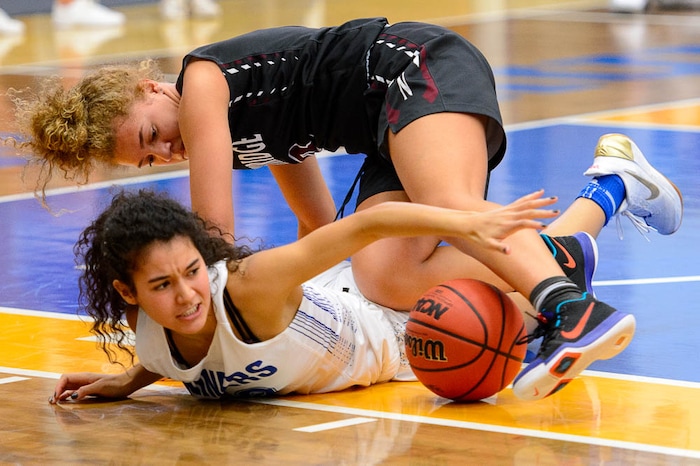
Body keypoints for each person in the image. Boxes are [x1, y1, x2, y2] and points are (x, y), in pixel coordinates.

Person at [13, 18, 682, 400]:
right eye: (151, 159)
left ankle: (575, 311)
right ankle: (608, 190)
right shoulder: (250, 126)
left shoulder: (202, 86)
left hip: (414, 70)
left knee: (451, 206)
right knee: (384, 277)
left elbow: (208, 241)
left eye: (152, 133)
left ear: (153, 87)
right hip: (388, 127)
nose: (167, 148)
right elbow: (317, 228)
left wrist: (157, 358)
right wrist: (146, 371)